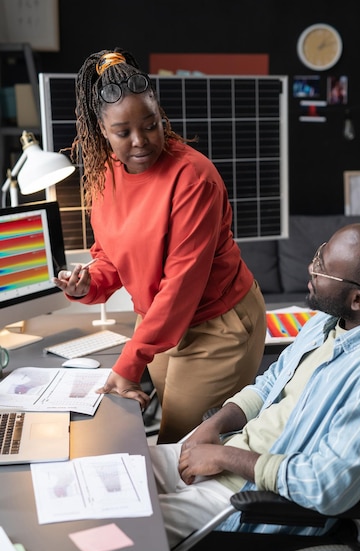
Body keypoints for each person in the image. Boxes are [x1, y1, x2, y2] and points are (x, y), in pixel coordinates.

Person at [148, 223, 360, 548]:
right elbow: (270, 384)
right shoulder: (327, 321)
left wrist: (224, 457)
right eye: (320, 254)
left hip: (249, 501)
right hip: (223, 453)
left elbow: (326, 485)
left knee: (120, 532)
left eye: (323, 270)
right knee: (108, 479)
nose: (311, 268)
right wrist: (216, 425)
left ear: (358, 299)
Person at [53, 48, 266, 443]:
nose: (140, 141)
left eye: (150, 125)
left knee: (181, 447)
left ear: (160, 116)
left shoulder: (192, 179)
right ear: (103, 131)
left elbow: (181, 285)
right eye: (123, 132)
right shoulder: (105, 178)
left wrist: (129, 363)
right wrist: (89, 284)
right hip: (162, 324)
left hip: (218, 325)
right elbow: (110, 257)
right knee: (164, 432)